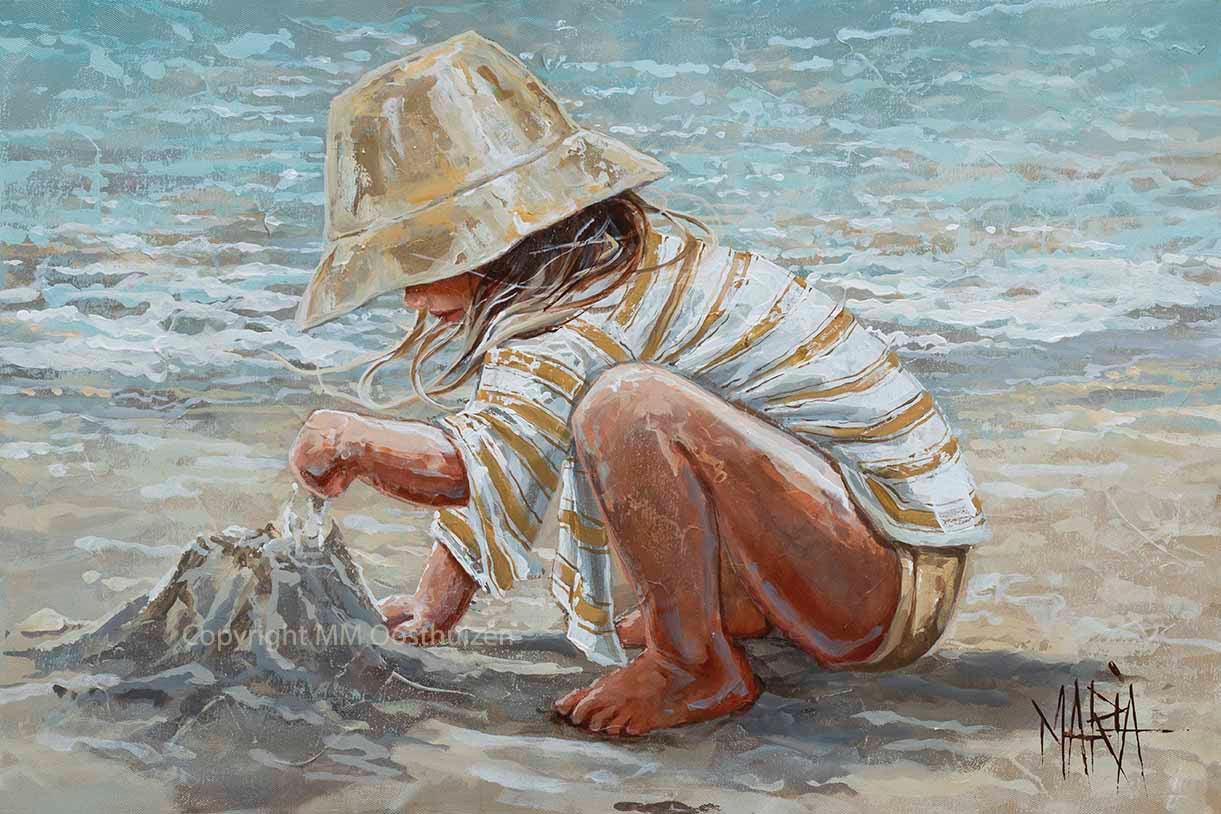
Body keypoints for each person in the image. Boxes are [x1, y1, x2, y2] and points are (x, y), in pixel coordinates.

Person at [288, 31, 989, 736]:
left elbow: (468, 468)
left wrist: (353, 441)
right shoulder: (599, 278)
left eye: (418, 262)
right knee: (608, 414)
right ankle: (732, 615)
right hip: (858, 561)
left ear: (493, 241)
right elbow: (508, 446)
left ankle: (693, 665)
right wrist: (435, 604)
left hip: (887, 584)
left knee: (628, 408)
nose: (411, 298)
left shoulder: (585, 316)